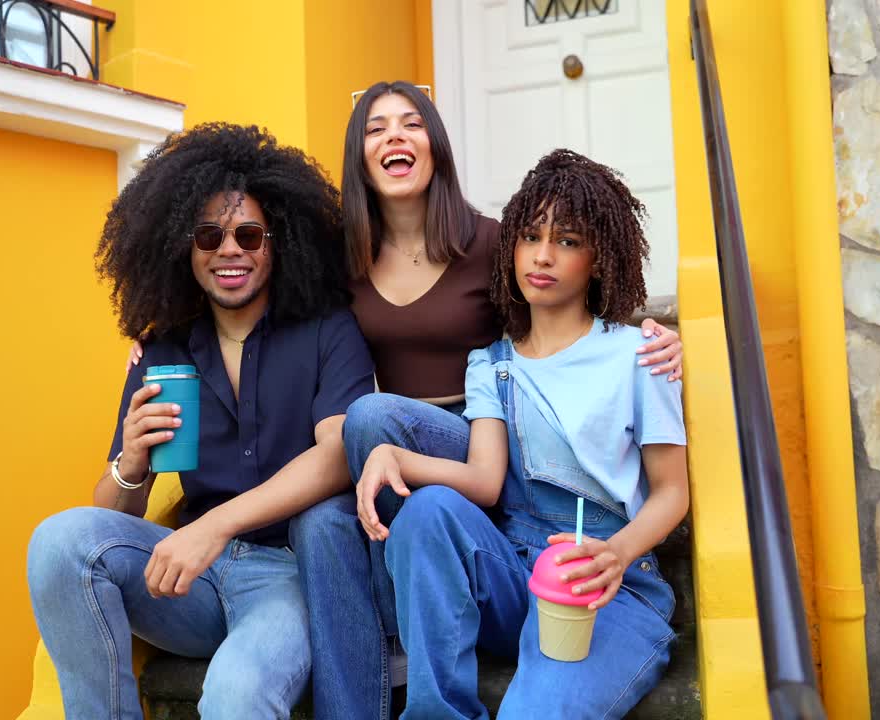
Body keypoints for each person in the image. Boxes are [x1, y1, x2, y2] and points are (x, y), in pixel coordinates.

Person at [126, 81, 685, 719]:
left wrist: (654, 338)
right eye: (375, 127)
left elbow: (574, 319)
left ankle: (408, 617)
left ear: (436, 144)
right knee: (326, 517)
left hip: (465, 445)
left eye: (411, 123)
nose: (543, 254)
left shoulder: (491, 245)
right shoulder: (340, 260)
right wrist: (160, 336)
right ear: (359, 157)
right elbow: (246, 281)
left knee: (376, 424)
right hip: (404, 452)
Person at [26, 123, 375, 720]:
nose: (229, 249)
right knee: (58, 542)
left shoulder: (326, 330)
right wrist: (131, 464)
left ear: (279, 242)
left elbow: (338, 455)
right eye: (209, 234)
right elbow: (114, 516)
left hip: (289, 576)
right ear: (183, 247)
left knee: (237, 695)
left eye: (249, 234)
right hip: (190, 582)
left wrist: (214, 528)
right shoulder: (163, 352)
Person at [370, 148, 690, 719]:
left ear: (598, 259)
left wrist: (616, 554)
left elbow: (672, 491)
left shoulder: (638, 355)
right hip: (516, 570)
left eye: (567, 241)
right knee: (427, 512)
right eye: (530, 237)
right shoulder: (491, 364)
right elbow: (484, 482)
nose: (542, 257)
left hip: (608, 584)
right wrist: (393, 455)